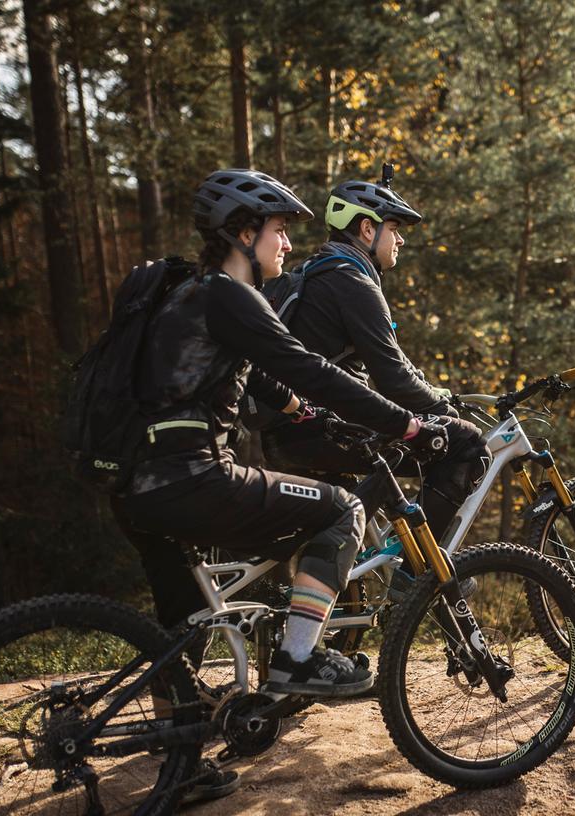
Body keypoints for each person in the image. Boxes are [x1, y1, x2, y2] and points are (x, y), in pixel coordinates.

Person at [110, 169, 447, 799]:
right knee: (342, 510)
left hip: (136, 485)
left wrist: (305, 415)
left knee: (179, 624)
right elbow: (307, 366)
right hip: (191, 475)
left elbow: (266, 377)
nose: (288, 245)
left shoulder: (191, 294)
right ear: (245, 231)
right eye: (279, 230)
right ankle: (297, 658)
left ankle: (181, 770)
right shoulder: (231, 295)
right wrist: (403, 423)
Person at [261, 169, 489, 544]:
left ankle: (350, 590)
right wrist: (446, 413)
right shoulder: (352, 281)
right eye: (395, 228)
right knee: (467, 444)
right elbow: (394, 378)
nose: (400, 239)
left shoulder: (316, 273)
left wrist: (433, 393)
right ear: (368, 229)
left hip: (289, 432)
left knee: (345, 532)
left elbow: (389, 361)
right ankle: (419, 577)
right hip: (326, 431)